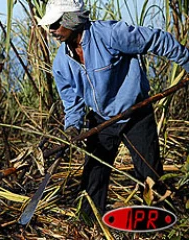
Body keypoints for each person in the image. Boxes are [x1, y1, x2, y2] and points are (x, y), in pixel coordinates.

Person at [37, 0, 189, 219]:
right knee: (93, 177)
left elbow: (157, 39)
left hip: (135, 113)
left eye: (56, 23)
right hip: (102, 120)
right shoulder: (61, 64)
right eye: (49, 25)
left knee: (150, 175)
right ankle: (87, 225)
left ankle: (158, 224)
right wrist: (72, 128)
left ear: (73, 20)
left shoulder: (110, 34)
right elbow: (73, 104)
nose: (51, 30)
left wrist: (186, 61)